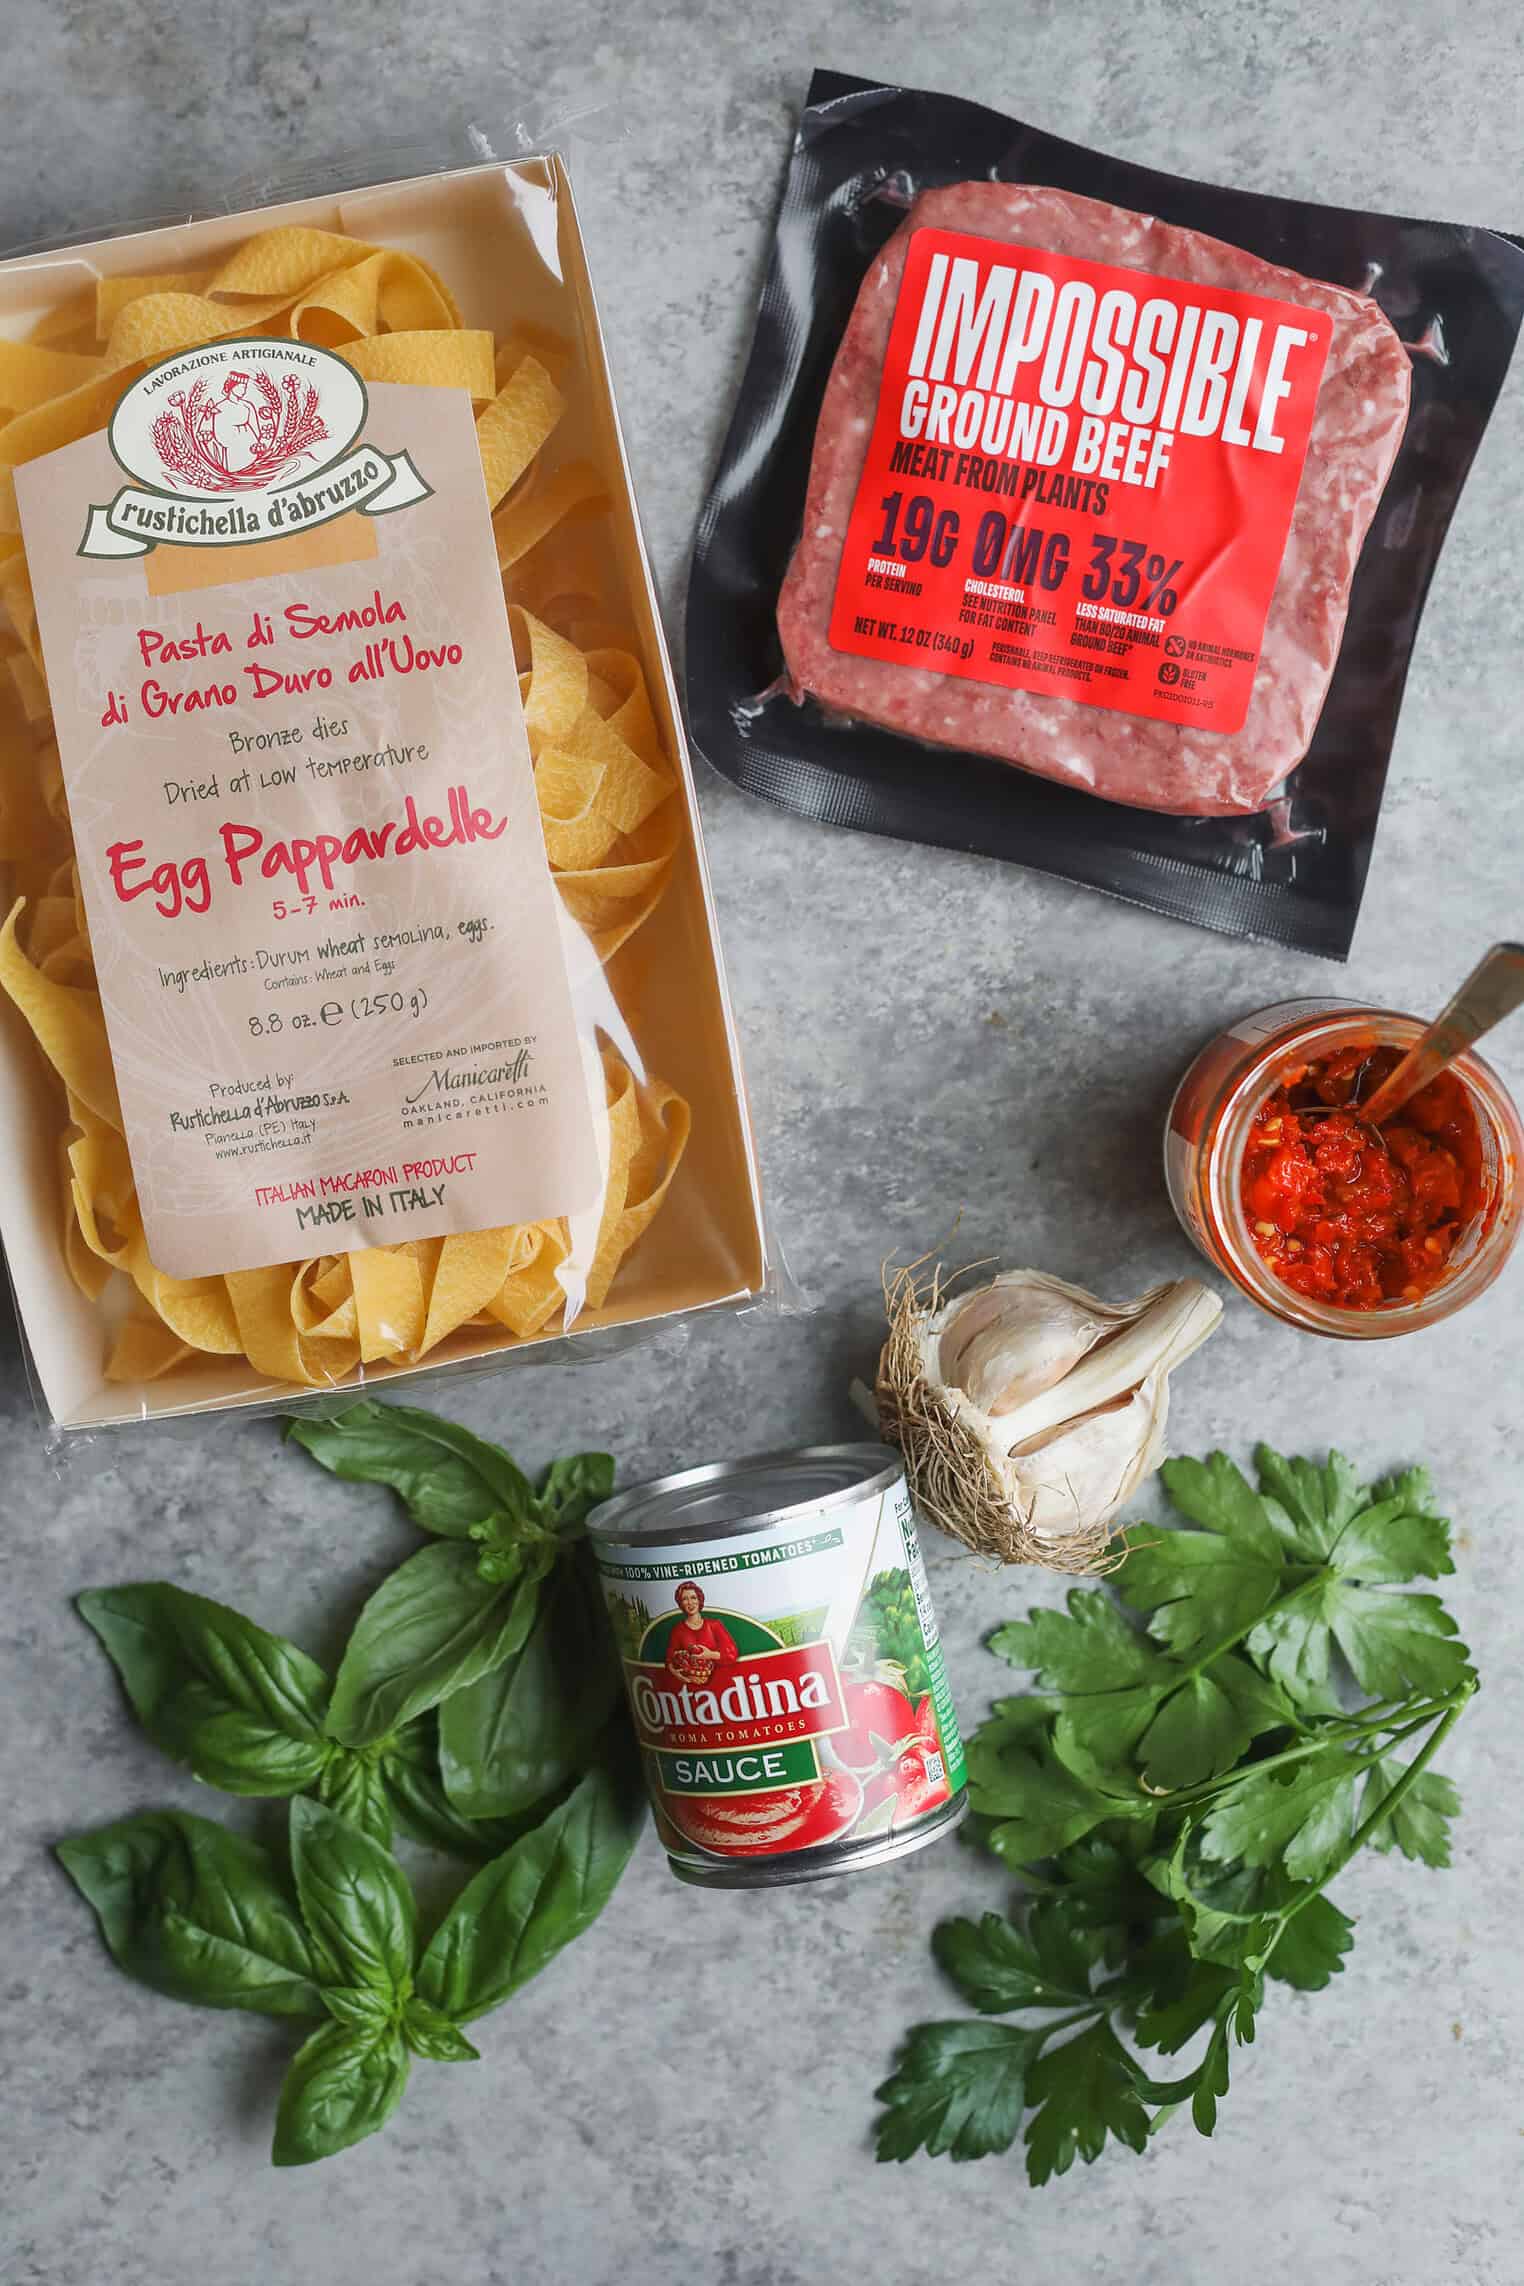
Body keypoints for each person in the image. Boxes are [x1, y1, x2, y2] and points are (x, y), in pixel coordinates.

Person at [663, 1582, 738, 1689]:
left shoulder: (714, 1625)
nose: (690, 1603)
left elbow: (732, 1653)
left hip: (725, 1685)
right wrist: (680, 1676)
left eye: (693, 1598)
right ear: (680, 1603)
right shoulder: (678, 1630)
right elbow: (669, 1659)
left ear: (699, 1600)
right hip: (690, 1691)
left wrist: (710, 1654)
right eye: (685, 1599)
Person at [201, 371, 264, 475]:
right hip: (233, 448)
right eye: (241, 387)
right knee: (236, 472)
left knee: (252, 471)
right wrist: (230, 443)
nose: (243, 391)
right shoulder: (220, 407)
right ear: (232, 386)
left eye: (245, 388)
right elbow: (218, 431)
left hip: (250, 444)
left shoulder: (248, 405)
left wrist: (255, 443)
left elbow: (255, 427)